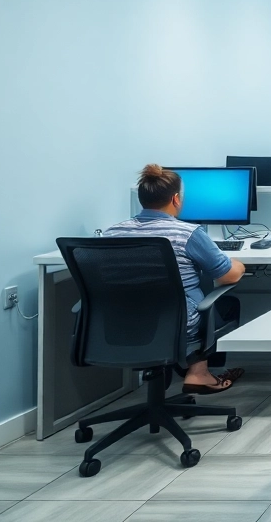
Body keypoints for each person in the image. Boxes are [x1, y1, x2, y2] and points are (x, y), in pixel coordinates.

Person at [103, 165, 245, 394]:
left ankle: (186, 372)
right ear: (176, 199)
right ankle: (199, 373)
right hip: (176, 325)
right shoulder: (187, 233)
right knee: (227, 305)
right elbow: (228, 275)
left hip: (119, 325)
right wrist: (238, 263)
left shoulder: (112, 233)